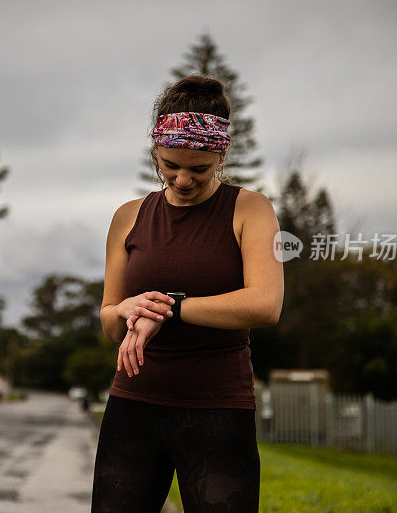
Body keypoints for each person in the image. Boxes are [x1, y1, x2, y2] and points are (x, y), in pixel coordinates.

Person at [92, 75, 284, 512]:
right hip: (133, 406)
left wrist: (172, 308)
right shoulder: (129, 217)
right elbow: (107, 321)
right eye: (169, 164)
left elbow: (265, 304)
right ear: (155, 152)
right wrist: (126, 308)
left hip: (219, 411)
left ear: (221, 153)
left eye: (198, 169)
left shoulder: (250, 209)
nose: (181, 180)